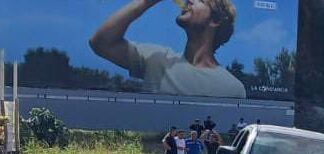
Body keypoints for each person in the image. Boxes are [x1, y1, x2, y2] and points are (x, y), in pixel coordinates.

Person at [90, 0, 246, 99]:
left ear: (216, 20)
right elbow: (101, 43)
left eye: (200, 0)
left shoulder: (233, 89)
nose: (188, 1)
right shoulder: (157, 59)